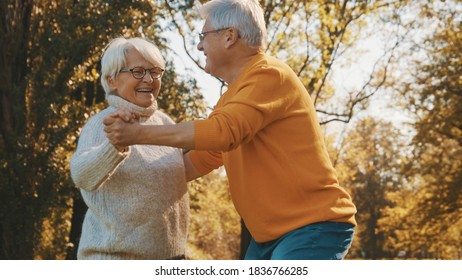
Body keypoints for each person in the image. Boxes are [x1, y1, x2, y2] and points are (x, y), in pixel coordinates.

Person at [103, 0, 357, 260]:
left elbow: (222, 133)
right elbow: (205, 157)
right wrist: (124, 174)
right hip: (268, 237)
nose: (200, 45)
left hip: (313, 225)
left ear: (229, 37)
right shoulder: (233, 97)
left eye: (203, 36)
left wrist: (137, 134)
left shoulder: (269, 75)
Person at [70, 37, 189, 260]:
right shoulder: (102, 123)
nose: (149, 79)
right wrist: (115, 145)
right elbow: (81, 175)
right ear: (112, 80)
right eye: (138, 71)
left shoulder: (165, 123)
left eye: (155, 71)